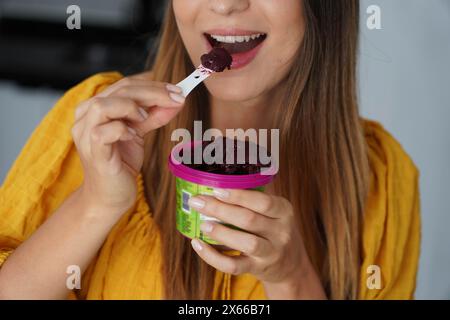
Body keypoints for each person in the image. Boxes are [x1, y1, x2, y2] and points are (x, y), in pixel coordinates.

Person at [0, 0, 420, 300]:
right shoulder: (97, 124)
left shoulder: (381, 175)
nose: (226, 5)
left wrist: (290, 278)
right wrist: (97, 203)